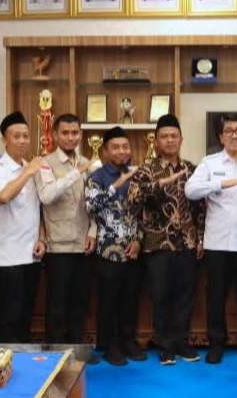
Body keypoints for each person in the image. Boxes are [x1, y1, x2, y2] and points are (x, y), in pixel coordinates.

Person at [185, 114, 237, 364]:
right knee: (216, 295)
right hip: (218, 242)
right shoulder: (209, 163)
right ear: (221, 137)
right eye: (229, 131)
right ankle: (216, 343)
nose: (234, 135)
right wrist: (221, 183)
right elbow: (190, 190)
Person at [128, 114, 206, 365]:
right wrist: (160, 183)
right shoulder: (146, 170)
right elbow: (133, 201)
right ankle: (165, 346)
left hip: (188, 241)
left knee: (185, 295)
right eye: (165, 136)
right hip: (157, 243)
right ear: (156, 141)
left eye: (174, 136)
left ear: (181, 139)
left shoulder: (192, 169)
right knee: (161, 296)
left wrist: (200, 238)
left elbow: (201, 207)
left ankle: (181, 342)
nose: (170, 140)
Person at [85, 126, 147, 366]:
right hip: (107, 251)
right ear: (105, 151)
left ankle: (128, 341)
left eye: (125, 147)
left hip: (132, 250)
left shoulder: (137, 175)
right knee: (108, 301)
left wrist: (138, 240)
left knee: (131, 299)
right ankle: (110, 346)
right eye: (116, 147)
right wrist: (116, 184)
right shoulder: (97, 177)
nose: (122, 151)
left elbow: (142, 213)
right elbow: (91, 207)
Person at [35, 114, 97, 346]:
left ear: (80, 134)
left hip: (84, 243)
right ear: (54, 135)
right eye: (65, 133)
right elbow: (47, 195)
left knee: (80, 302)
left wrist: (93, 231)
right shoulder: (45, 163)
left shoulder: (87, 162)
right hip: (58, 245)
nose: (70, 138)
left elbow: (95, 202)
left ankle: (77, 350)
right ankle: (57, 352)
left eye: (75, 133)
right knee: (57, 304)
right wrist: (76, 172)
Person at [0, 111, 46, 343]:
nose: (22, 141)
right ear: (4, 140)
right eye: (16, 136)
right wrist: (26, 173)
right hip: (7, 255)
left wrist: (42, 238)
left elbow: (38, 208)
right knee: (9, 314)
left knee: (25, 313)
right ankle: (7, 358)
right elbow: (3, 196)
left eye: (25, 136)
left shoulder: (30, 166)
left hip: (31, 254)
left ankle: (23, 358)